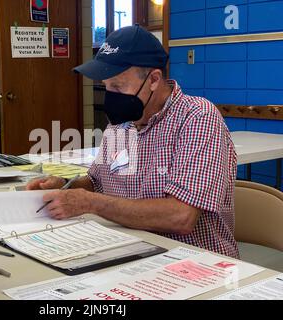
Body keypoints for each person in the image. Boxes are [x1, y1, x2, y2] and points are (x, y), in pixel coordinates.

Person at [27, 25, 239, 258]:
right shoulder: (121, 124)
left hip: (195, 263)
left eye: (118, 86)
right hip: (130, 249)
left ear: (154, 80)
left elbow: (181, 216)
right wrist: (65, 186)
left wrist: (89, 203)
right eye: (106, 87)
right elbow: (99, 183)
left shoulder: (197, 117)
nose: (111, 96)